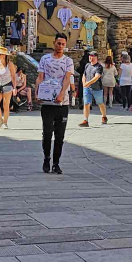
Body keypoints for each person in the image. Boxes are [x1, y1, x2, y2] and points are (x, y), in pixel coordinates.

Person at [35, 34, 74, 174]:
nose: (60, 46)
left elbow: (67, 78)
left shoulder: (68, 61)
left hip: (62, 104)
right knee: (47, 133)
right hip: (47, 102)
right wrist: (37, 92)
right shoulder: (45, 59)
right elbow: (40, 77)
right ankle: (47, 158)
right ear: (54, 43)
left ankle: (56, 163)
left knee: (60, 135)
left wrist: (62, 93)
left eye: (63, 44)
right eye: (58, 43)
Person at [79, 50, 107, 127]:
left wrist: (88, 83)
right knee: (86, 103)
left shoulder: (99, 67)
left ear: (96, 57)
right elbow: (84, 75)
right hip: (87, 88)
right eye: (90, 56)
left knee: (100, 103)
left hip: (97, 88)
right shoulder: (87, 65)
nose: (90, 57)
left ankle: (104, 116)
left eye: (92, 56)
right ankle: (85, 120)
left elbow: (97, 77)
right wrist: (84, 83)